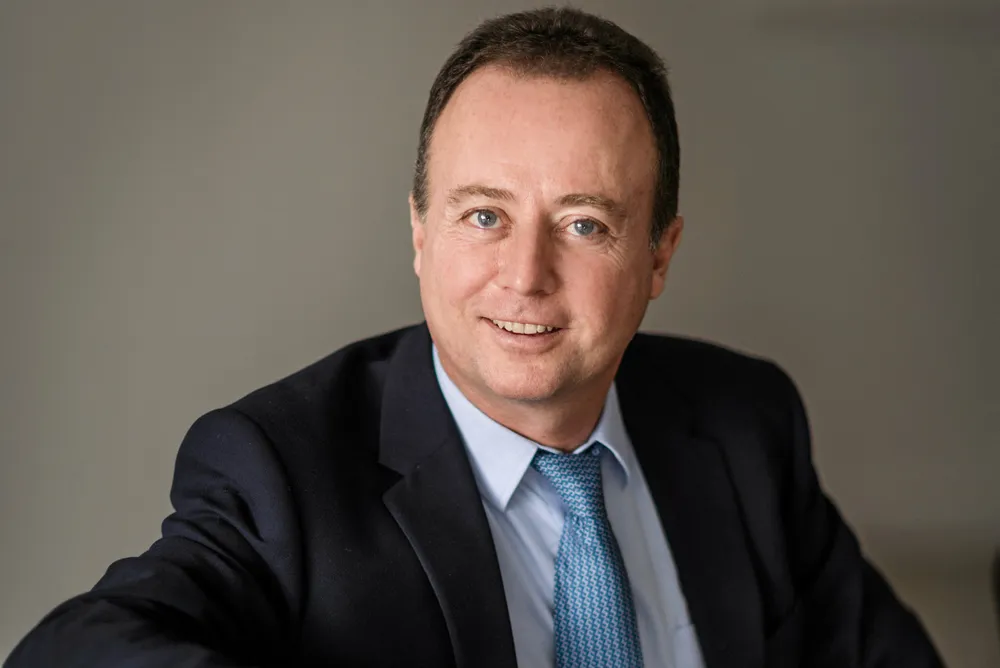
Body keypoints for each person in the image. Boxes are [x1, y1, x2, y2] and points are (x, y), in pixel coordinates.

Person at [5, 7, 943, 668]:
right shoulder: (281, 471)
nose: (525, 274)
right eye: (484, 216)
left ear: (660, 255)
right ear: (421, 232)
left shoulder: (744, 424)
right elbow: (67, 654)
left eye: (584, 223)